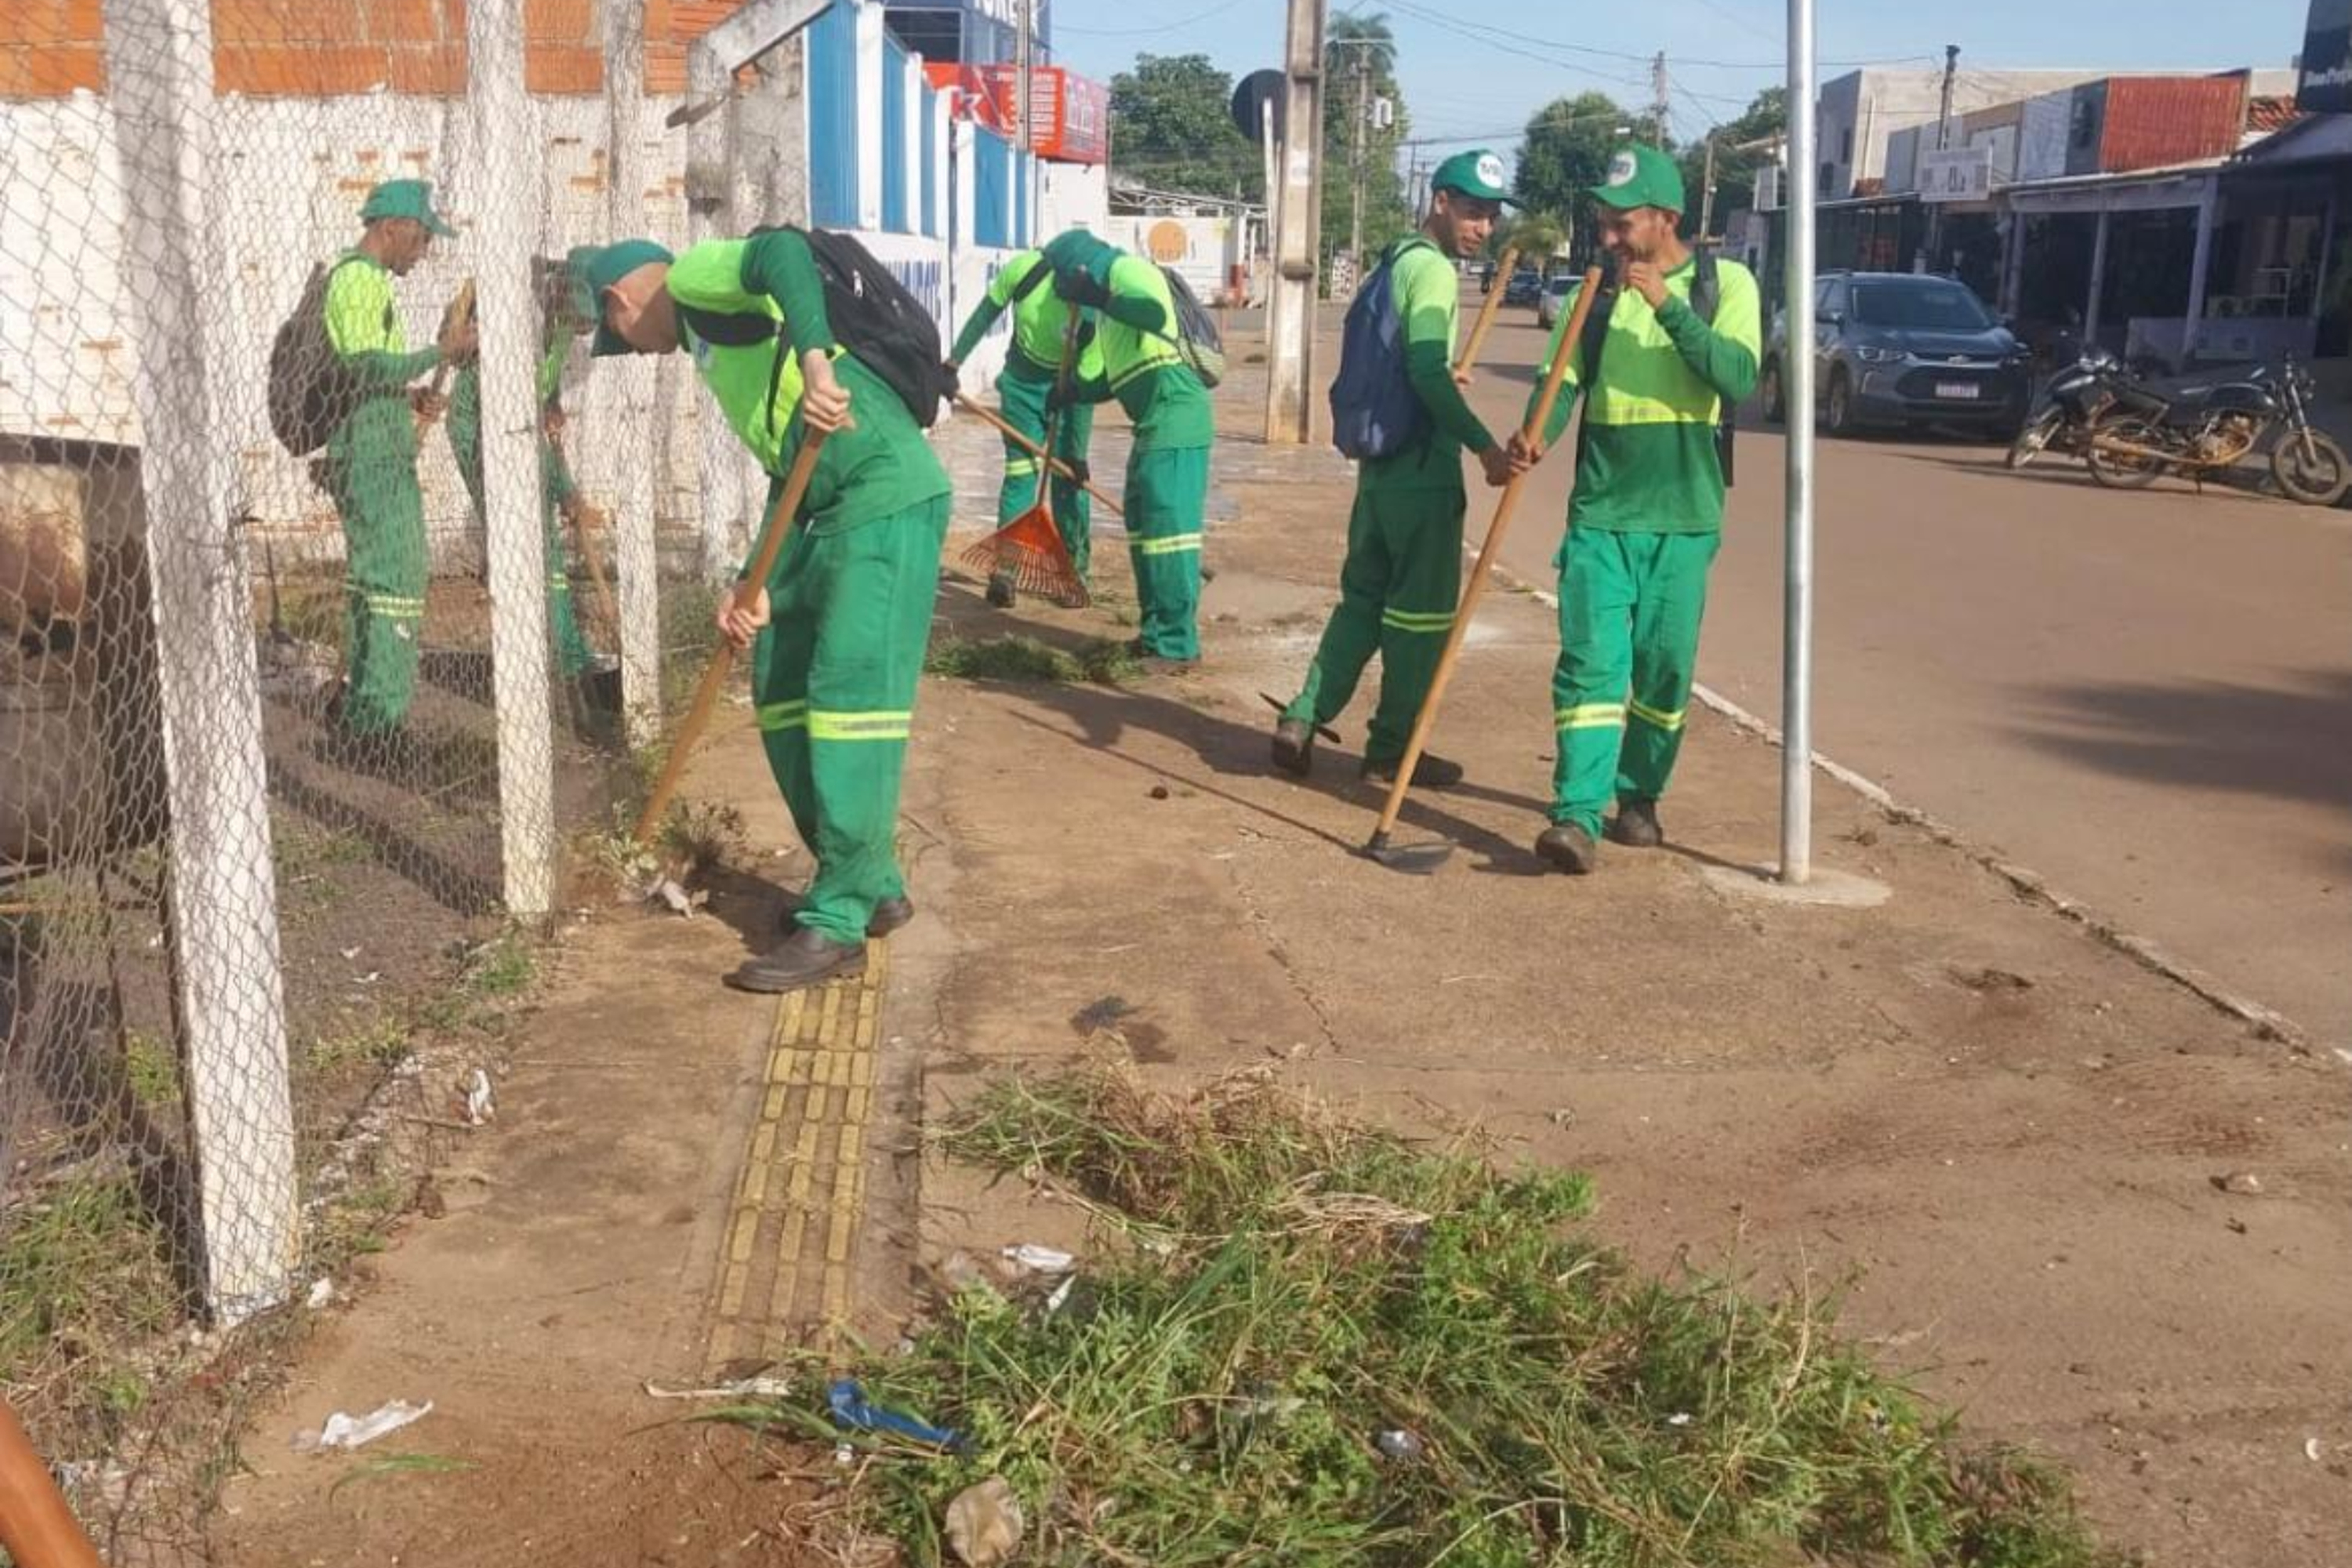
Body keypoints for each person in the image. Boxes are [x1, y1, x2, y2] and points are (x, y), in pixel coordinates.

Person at [580, 231, 952, 993]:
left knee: (851, 701)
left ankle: (840, 919)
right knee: (782, 682)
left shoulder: (694, 276)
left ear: (621, 301)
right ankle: (867, 879)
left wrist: (818, 361)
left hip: (882, 492)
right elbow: (790, 473)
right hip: (825, 504)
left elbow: (781, 250)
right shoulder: (714, 346)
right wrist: (749, 586)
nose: (641, 354)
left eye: (619, 336)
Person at [1514, 143, 1760, 874]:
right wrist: (1534, 435)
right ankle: (1576, 816)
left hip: (1685, 518)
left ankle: (1640, 794)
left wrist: (1666, 305)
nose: (1611, 238)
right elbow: (1560, 381)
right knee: (1590, 669)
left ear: (1668, 218)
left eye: (1625, 225)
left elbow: (1738, 376)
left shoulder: (1729, 284)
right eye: (1605, 224)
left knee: (1663, 673)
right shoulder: (1594, 295)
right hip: (1600, 515)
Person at [1271, 149, 1523, 787]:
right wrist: (1486, 447)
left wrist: (1437, 376)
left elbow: (1412, 366)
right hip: (1422, 470)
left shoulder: (1395, 262)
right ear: (1440, 202)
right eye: (1472, 212)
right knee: (1420, 621)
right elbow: (1425, 372)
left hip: (1379, 470)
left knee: (1361, 603)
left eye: (1492, 217)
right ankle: (1391, 751)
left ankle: (1302, 716)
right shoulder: (1433, 273)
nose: (1482, 228)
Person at [321, 179, 474, 744]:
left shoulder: (364, 281)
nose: (425, 248)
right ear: (392, 228)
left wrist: (408, 396)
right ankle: (379, 723)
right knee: (397, 582)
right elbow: (364, 368)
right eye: (422, 237)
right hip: (371, 455)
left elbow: (363, 374)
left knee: (374, 583)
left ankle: (363, 716)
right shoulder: (358, 281)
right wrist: (443, 351)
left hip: (373, 442)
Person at [1041, 231, 1214, 673]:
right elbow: (1114, 381)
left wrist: (1099, 295)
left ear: (1080, 267)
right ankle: (1155, 633)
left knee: (1169, 535)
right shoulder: (1105, 317)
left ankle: (1178, 645)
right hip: (1151, 425)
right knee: (1143, 532)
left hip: (1176, 417)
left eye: (1061, 277)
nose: (1058, 288)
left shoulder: (1129, 272)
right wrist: (1074, 391)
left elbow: (1153, 313)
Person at [445, 252, 611, 708]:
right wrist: (566, 490)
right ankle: (544, 662)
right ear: (561, 301)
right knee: (527, 542)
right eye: (577, 320)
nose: (581, 331)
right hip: (479, 429)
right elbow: (516, 427)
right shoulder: (515, 329)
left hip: (519, 425)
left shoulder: (554, 328)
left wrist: (551, 401)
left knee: (545, 553)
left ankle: (567, 657)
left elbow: (542, 385)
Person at [946, 238, 1103, 608]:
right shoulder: (1027, 271)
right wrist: (952, 364)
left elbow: (1087, 388)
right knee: (1020, 473)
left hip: (1069, 390)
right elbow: (984, 315)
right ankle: (1006, 571)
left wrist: (1077, 453)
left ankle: (1073, 573)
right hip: (1020, 386)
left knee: (1069, 481)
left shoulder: (1093, 313)